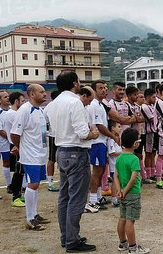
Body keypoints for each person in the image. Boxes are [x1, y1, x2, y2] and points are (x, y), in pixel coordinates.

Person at [50, 71, 99, 252]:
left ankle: (67, 236)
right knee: (76, 199)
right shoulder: (75, 102)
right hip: (76, 152)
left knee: (64, 197)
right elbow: (83, 133)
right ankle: (72, 240)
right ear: (74, 83)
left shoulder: (54, 103)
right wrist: (93, 134)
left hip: (61, 150)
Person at [10, 84, 51, 231]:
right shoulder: (25, 110)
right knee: (32, 184)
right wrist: (20, 147)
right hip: (30, 154)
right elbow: (15, 133)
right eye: (41, 92)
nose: (45, 94)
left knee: (36, 184)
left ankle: (34, 213)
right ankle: (29, 218)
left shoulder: (40, 110)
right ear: (32, 94)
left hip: (40, 153)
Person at [114, 128, 150, 254]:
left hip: (123, 193)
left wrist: (119, 190)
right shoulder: (134, 159)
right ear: (135, 143)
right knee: (130, 221)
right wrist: (125, 191)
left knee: (122, 218)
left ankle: (122, 243)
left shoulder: (120, 158)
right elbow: (134, 178)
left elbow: (116, 176)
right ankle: (133, 247)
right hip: (132, 193)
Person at [87, 80, 117, 211]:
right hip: (96, 142)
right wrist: (113, 136)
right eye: (100, 88)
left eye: (105, 87)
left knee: (101, 170)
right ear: (94, 90)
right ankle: (93, 199)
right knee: (97, 170)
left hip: (101, 141)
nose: (104, 90)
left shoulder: (100, 104)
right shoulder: (94, 105)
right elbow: (99, 126)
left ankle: (98, 197)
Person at [4, 92, 26, 207]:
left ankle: (16, 192)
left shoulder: (14, 113)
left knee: (20, 171)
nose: (24, 103)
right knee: (18, 171)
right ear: (16, 101)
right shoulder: (13, 114)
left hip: (17, 144)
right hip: (16, 145)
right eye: (22, 101)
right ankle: (15, 196)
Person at [0, 90, 12, 191]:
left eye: (8, 96)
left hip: (14, 141)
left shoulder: (13, 110)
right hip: (5, 143)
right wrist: (11, 138)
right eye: (5, 97)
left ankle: (21, 184)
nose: (8, 98)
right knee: (7, 162)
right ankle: (9, 184)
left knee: (18, 162)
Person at [43, 90, 60, 192]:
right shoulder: (53, 106)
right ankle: (50, 182)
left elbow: (44, 121)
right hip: (56, 135)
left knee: (52, 159)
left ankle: (50, 181)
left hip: (54, 135)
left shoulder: (48, 107)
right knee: (53, 159)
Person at [140, 89, 158, 183]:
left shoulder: (151, 106)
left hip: (153, 132)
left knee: (152, 153)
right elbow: (152, 119)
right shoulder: (144, 107)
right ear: (147, 97)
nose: (155, 99)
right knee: (148, 153)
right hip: (148, 133)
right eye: (153, 97)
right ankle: (148, 173)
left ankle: (152, 172)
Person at [107, 120, 123, 206]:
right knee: (114, 181)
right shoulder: (111, 139)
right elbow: (111, 152)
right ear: (113, 128)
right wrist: (123, 152)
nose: (120, 129)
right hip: (114, 164)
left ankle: (118, 196)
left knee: (118, 180)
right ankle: (114, 199)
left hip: (118, 163)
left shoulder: (117, 138)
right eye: (119, 127)